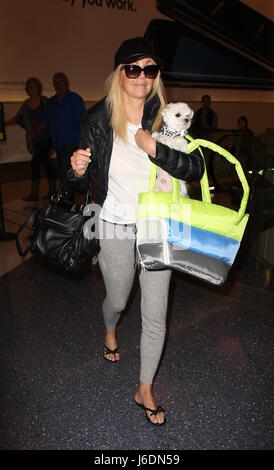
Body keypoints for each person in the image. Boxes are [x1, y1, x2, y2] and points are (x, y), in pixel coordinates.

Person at [68, 37, 204, 426]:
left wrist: (155, 147)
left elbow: (195, 168)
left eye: (150, 69)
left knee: (156, 313)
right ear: (119, 74)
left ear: (156, 76)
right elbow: (80, 181)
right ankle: (110, 326)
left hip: (156, 222)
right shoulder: (98, 119)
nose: (142, 77)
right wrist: (76, 169)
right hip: (113, 223)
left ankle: (144, 386)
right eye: (133, 68)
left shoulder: (167, 116)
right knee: (118, 297)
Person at [5, 77, 54, 201]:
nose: (32, 89)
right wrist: (4, 123)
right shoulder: (26, 104)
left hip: (47, 138)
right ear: (27, 89)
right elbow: (17, 118)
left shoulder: (44, 101)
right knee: (46, 164)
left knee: (35, 163)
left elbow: (52, 117)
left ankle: (35, 193)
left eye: (34, 86)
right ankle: (53, 192)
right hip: (35, 141)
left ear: (38, 88)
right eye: (30, 87)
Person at [42, 72, 85, 185]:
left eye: (60, 81)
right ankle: (66, 196)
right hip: (58, 141)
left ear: (66, 83)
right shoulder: (51, 102)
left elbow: (83, 120)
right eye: (56, 82)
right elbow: (44, 121)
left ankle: (64, 196)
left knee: (64, 167)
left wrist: (84, 141)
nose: (58, 84)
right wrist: (33, 134)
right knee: (63, 167)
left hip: (72, 140)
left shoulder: (75, 99)